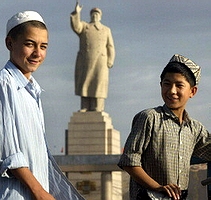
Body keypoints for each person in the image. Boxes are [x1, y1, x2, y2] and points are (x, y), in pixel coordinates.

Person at [0, 11, 84, 200]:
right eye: (29, 44)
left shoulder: (32, 91)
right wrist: (40, 192)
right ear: (10, 43)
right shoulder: (2, 83)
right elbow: (8, 152)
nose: (38, 53)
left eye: (43, 46)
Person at [118, 54, 211, 200]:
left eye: (179, 85)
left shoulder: (195, 129)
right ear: (161, 85)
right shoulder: (149, 118)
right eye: (167, 84)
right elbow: (129, 162)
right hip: (148, 196)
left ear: (192, 91)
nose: (172, 91)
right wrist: (157, 187)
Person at [70, 2, 115, 112]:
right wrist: (77, 13)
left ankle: (97, 107)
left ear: (100, 16)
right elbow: (76, 26)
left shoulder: (106, 30)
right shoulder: (85, 27)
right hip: (86, 60)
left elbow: (110, 46)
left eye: (97, 14)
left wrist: (110, 59)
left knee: (98, 82)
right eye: (93, 14)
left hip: (101, 60)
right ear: (91, 16)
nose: (95, 16)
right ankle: (85, 106)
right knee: (85, 82)